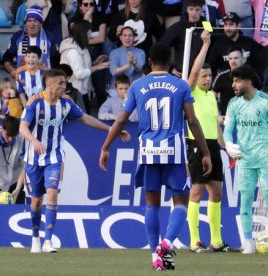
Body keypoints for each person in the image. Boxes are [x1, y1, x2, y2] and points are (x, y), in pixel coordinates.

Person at [99, 43, 212, 271]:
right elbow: (192, 121)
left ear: (149, 61)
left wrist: (105, 146)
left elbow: (121, 120)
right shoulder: (180, 85)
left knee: (152, 204)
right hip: (174, 152)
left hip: (148, 151)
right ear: (170, 62)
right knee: (181, 201)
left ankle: (155, 257)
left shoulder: (138, 85)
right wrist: (205, 152)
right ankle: (167, 244)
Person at [20, 68, 130, 253]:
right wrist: (34, 141)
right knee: (36, 201)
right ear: (49, 84)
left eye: (65, 82)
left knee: (53, 193)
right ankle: (35, 238)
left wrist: (112, 130)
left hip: (54, 156)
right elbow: (22, 127)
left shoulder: (66, 103)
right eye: (61, 83)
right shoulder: (34, 102)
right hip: (33, 158)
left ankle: (48, 240)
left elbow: (85, 118)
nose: (65, 86)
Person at [223, 65, 268, 254]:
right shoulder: (234, 103)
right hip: (244, 160)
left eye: (237, 81)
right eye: (233, 81)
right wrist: (228, 144)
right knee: (245, 200)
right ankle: (248, 242)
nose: (233, 85)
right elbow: (228, 128)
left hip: (266, 158)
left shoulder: (266, 102)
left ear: (248, 81)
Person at [185, 31, 231, 253]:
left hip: (213, 145)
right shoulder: (190, 91)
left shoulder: (212, 96)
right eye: (204, 76)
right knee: (196, 191)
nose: (207, 78)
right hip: (196, 144)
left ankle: (217, 240)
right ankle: (194, 240)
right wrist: (205, 44)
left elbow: (215, 125)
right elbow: (193, 71)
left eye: (209, 75)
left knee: (217, 192)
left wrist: (226, 148)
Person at [59, 20, 110, 114]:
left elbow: (83, 67)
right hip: (74, 94)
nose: (92, 35)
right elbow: (79, 74)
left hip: (83, 92)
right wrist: (97, 67)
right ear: (83, 33)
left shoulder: (82, 47)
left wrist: (95, 63)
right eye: (89, 31)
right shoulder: (73, 52)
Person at [207, 12, 266, 78]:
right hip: (227, 83)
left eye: (231, 24)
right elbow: (211, 67)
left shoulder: (249, 42)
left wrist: (254, 78)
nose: (228, 28)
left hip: (248, 82)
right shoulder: (219, 45)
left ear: (238, 26)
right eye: (226, 25)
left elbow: (260, 63)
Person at [160, 0, 211, 77]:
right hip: (182, 74)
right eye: (191, 9)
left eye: (197, 9)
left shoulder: (207, 25)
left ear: (201, 10)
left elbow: (215, 45)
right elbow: (161, 47)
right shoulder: (178, 27)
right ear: (187, 9)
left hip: (202, 73)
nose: (194, 13)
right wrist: (170, 68)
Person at [2, 5, 52, 74]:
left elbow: (56, 59)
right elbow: (6, 58)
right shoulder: (17, 36)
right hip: (22, 80)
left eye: (35, 21)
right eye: (29, 21)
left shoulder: (49, 37)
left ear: (40, 24)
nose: (32, 24)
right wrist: (13, 71)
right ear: (26, 24)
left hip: (45, 81)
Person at [108, 25, 145, 97]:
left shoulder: (140, 52)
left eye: (130, 35)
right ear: (120, 37)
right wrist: (128, 65)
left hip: (134, 88)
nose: (127, 38)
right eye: (125, 35)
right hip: (117, 89)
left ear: (134, 38)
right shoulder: (114, 52)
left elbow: (141, 70)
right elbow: (114, 72)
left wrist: (134, 62)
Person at [212, 46, 244, 123]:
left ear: (242, 59)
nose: (233, 61)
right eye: (230, 59)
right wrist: (217, 115)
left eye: (236, 58)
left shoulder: (250, 76)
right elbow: (211, 97)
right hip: (227, 121)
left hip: (246, 122)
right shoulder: (222, 76)